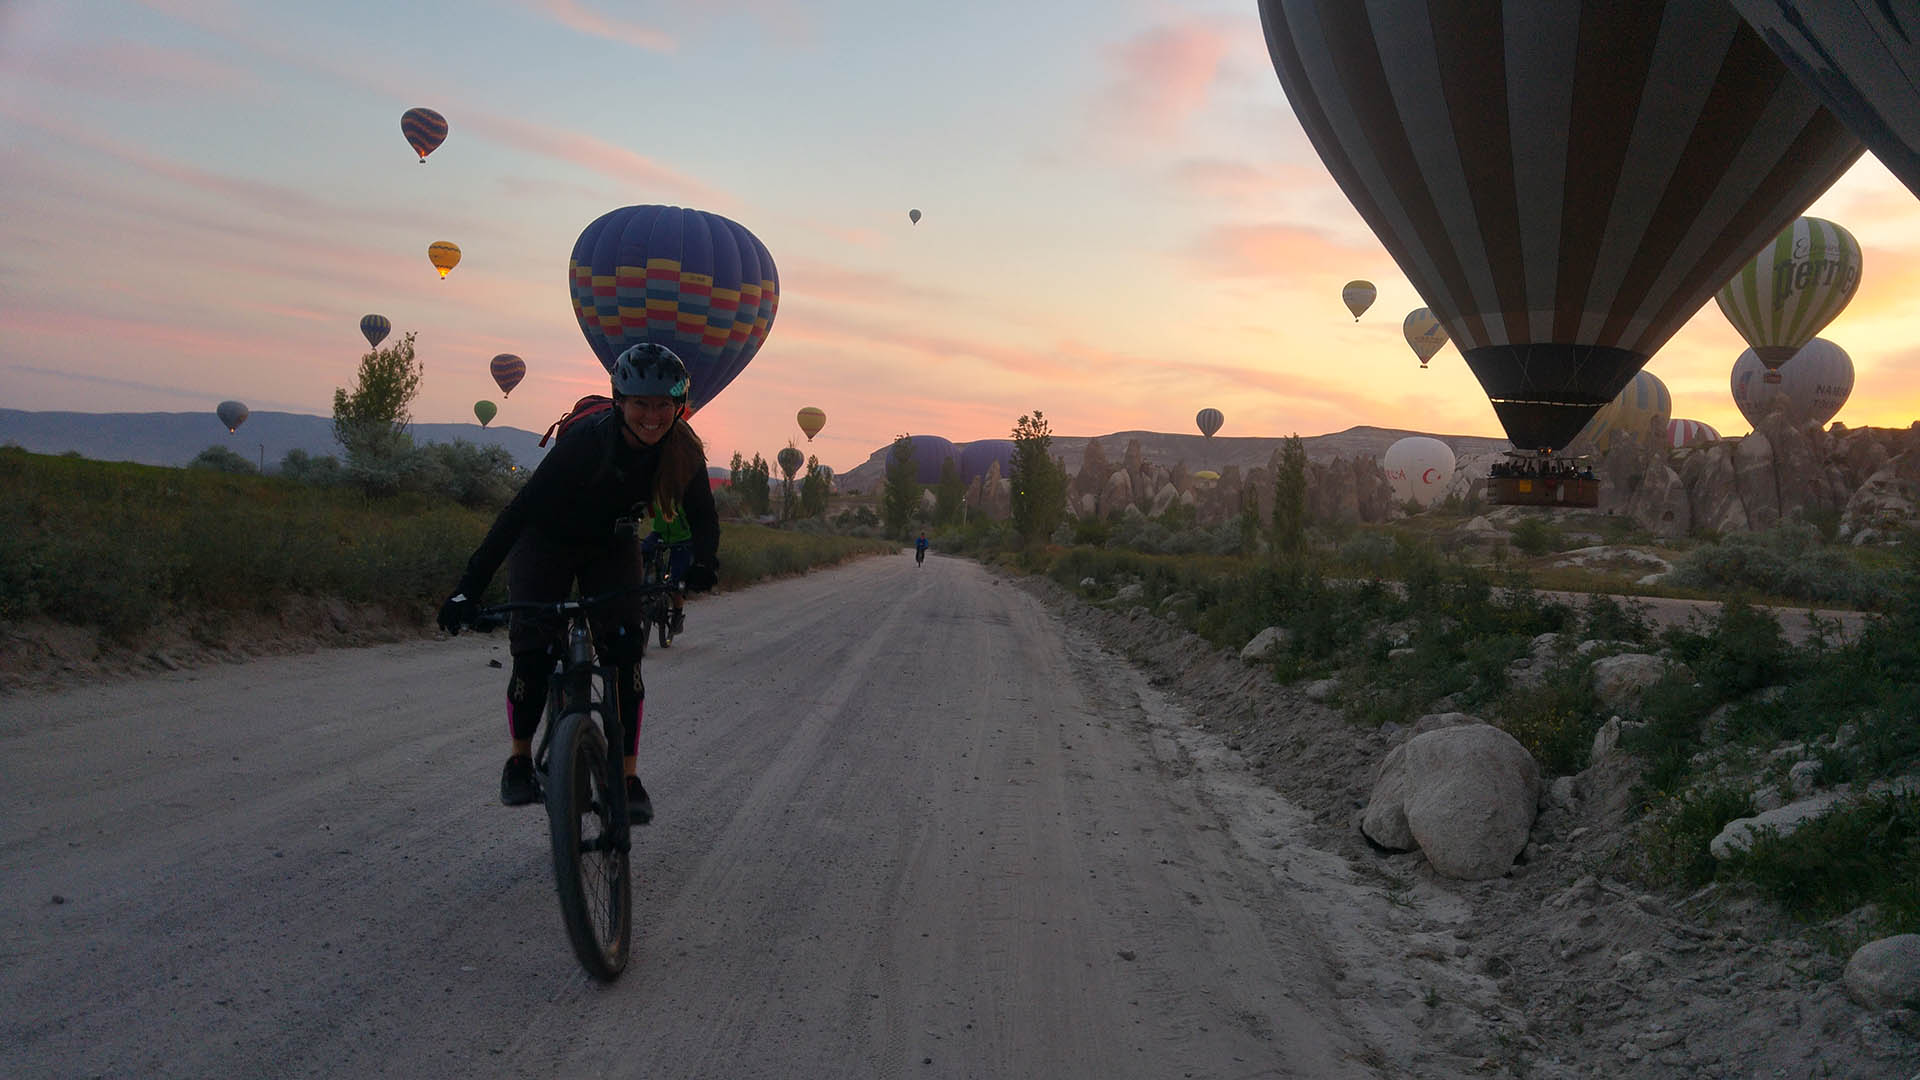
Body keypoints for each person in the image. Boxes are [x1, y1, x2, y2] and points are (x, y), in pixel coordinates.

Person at [436, 343, 719, 821]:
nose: (652, 417)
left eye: (663, 405)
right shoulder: (585, 442)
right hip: (544, 541)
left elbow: (703, 517)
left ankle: (627, 778)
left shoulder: (681, 449)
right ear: (619, 401)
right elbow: (517, 514)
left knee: (627, 656)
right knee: (532, 654)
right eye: (640, 404)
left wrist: (705, 563)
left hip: (612, 544)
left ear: (678, 406)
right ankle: (520, 760)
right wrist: (468, 587)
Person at [644, 499, 694, 634]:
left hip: (683, 538)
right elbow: (651, 512)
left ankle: (677, 615)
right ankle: (646, 586)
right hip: (659, 533)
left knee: (677, 581)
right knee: (641, 551)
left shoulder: (680, 492)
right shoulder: (652, 490)